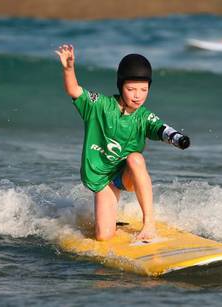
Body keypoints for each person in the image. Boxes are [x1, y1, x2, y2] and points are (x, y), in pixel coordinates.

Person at [55, 45, 190, 241]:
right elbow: (74, 90)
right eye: (131, 89)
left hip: (126, 174)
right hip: (104, 178)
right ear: (120, 87)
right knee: (103, 237)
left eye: (144, 89)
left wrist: (178, 139)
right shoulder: (99, 106)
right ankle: (113, 222)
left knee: (135, 158)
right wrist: (69, 69)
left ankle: (149, 224)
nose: (138, 95)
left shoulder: (144, 116)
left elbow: (162, 129)